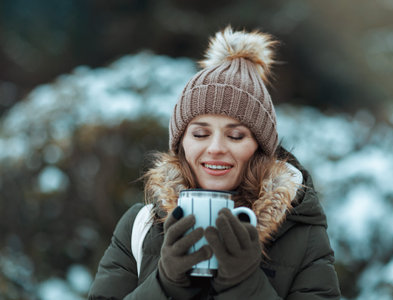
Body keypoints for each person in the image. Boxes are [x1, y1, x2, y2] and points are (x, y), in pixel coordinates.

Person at [88, 26, 341, 299]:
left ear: (259, 148)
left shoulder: (303, 237)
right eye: (200, 133)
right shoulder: (140, 227)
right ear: (181, 143)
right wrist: (164, 285)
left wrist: (246, 287)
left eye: (235, 135)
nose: (216, 148)